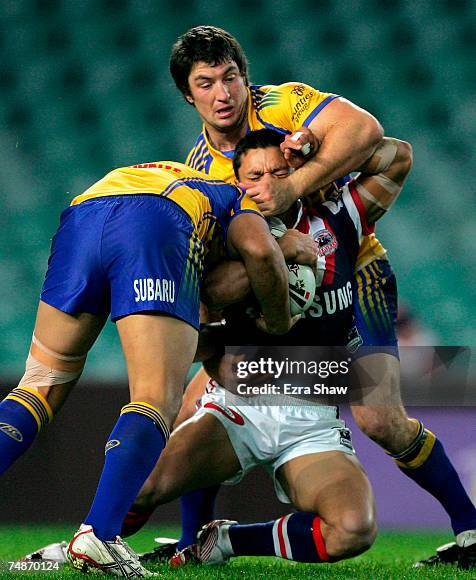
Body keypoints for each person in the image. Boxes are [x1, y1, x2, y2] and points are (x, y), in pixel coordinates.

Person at [159, 25, 476, 568]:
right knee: (193, 402)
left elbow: (373, 135)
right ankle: (197, 543)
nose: (223, 94)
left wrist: (296, 181)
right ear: (188, 95)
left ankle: (470, 529)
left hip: (353, 277)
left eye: (231, 77)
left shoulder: (283, 106)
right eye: (206, 83)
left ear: (246, 77)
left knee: (379, 419)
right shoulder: (196, 170)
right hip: (278, 294)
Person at [114, 128, 413, 567]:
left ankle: (225, 541)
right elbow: (192, 342)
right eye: (255, 175)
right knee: (135, 492)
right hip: (238, 409)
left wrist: (316, 152)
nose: (267, 182)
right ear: (239, 184)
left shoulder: (339, 218)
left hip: (312, 421)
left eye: (278, 171)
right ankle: (81, 548)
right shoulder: (221, 241)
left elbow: (397, 157)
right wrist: (271, 256)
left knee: (353, 530)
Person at [0, 159, 296, 577]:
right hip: (154, 219)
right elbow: (261, 251)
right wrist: (279, 318)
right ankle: (98, 535)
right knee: (156, 396)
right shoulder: (237, 200)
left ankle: (98, 535)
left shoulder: (177, 176)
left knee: (39, 385)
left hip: (85, 213)